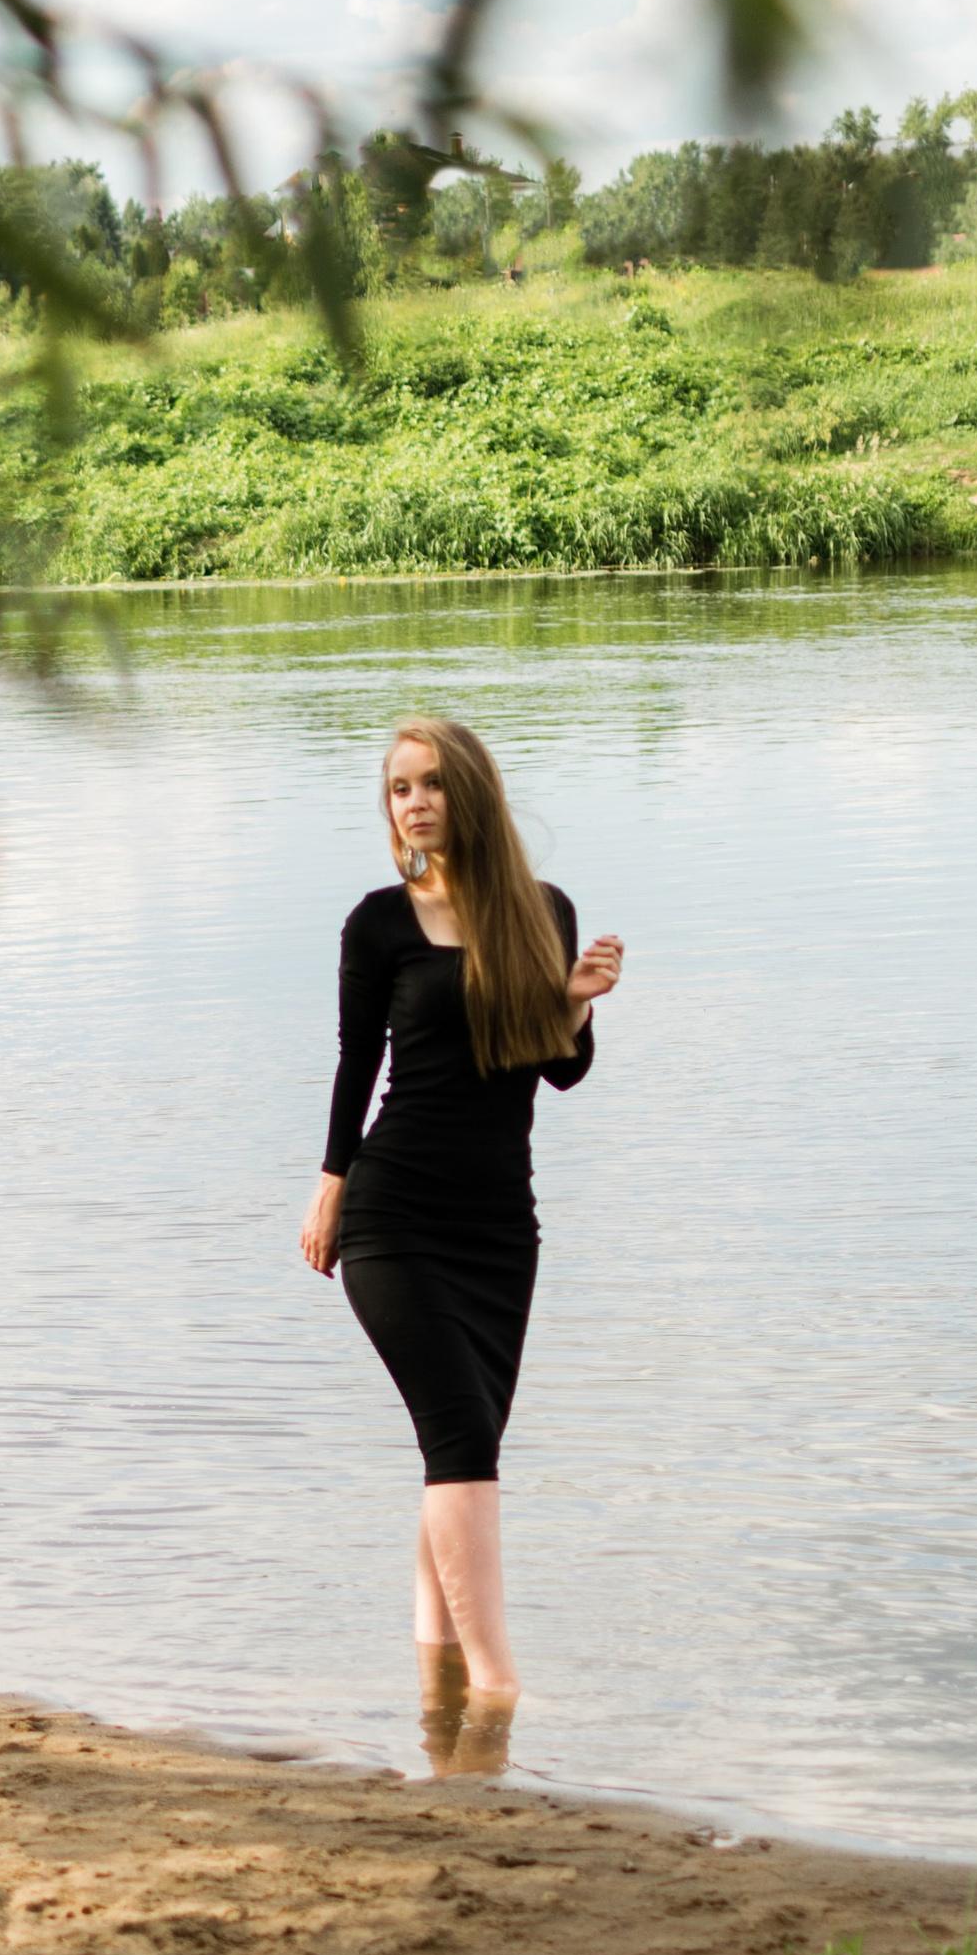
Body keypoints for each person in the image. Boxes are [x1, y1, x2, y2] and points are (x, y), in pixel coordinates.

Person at [299, 717, 623, 1714]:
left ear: (469, 792)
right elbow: (359, 1062)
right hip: (393, 1217)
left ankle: (431, 1675)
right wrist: (329, 1189)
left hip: (498, 1225)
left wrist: (572, 1003)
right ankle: (496, 1690)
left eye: (431, 783)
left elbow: (554, 1071)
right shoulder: (377, 923)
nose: (415, 801)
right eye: (399, 788)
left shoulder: (542, 910)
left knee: (461, 1438)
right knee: (462, 1446)